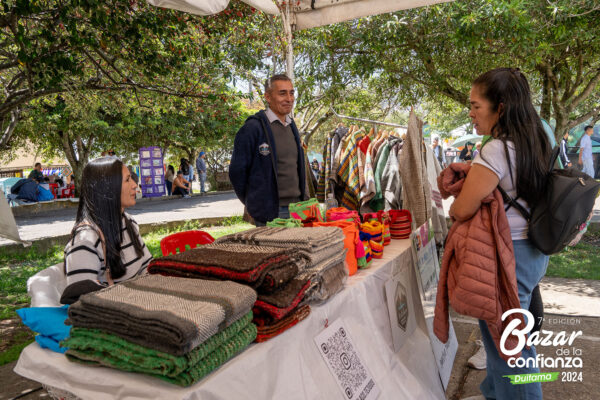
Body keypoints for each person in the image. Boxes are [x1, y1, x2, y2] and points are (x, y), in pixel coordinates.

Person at [449, 68, 551, 400]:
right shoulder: (539, 141)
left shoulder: (496, 150)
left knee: (511, 350)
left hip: (509, 257)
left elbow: (462, 209)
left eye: (476, 105)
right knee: (506, 340)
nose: (471, 112)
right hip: (532, 252)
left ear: (501, 107)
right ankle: (494, 394)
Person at [60, 157, 153, 304]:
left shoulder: (128, 222)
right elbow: (81, 303)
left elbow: (147, 266)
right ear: (108, 188)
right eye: (128, 180)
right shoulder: (85, 241)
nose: (135, 185)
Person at [229, 74, 307, 225]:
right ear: (268, 97)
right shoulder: (253, 128)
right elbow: (236, 172)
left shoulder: (292, 126)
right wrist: (253, 203)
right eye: (282, 93)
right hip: (270, 213)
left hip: (297, 210)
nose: (289, 99)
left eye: (291, 93)